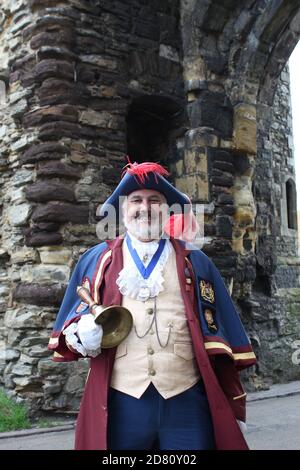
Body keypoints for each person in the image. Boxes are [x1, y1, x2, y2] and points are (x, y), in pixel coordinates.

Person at [48, 160, 256, 450]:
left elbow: (222, 331)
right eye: (136, 200)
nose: (145, 208)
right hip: (122, 404)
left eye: (154, 201)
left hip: (186, 402)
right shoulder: (97, 260)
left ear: (167, 210)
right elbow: (70, 326)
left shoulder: (195, 262)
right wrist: (82, 333)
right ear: (123, 209)